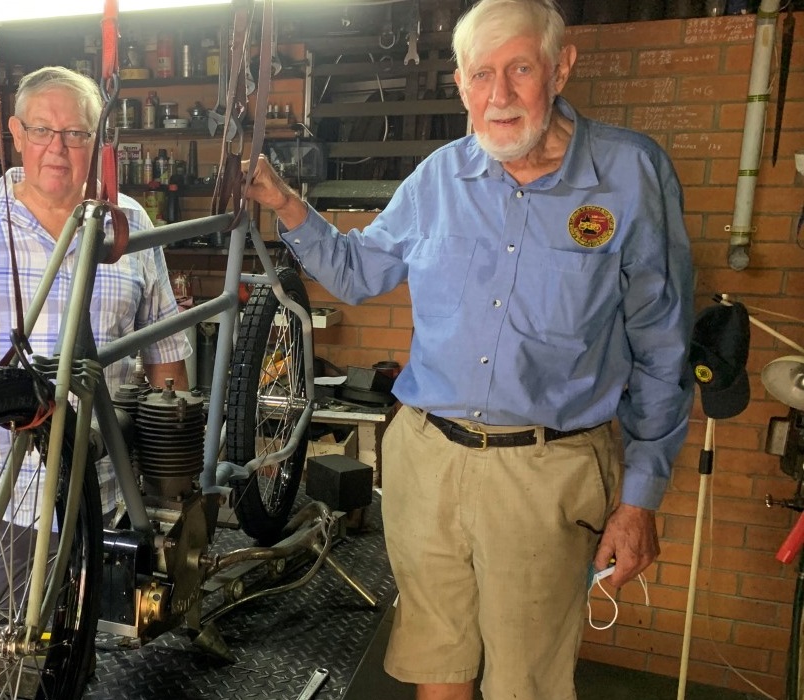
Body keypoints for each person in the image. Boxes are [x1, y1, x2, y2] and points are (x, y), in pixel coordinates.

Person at [244, 1, 693, 698]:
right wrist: (283, 202)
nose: (500, 95)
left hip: (546, 472)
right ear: (459, 84)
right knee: (437, 663)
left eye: (519, 68)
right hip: (428, 461)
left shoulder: (629, 175)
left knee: (526, 684)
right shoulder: (436, 180)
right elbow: (359, 272)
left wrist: (638, 500)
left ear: (560, 66)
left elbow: (662, 345)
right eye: (481, 74)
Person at [0, 66, 188, 612]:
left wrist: (171, 477)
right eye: (43, 131)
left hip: (103, 493)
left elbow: (165, 359)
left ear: (98, 142)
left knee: (89, 657)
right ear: (16, 133)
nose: (59, 148)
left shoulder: (129, 223)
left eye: (77, 133)